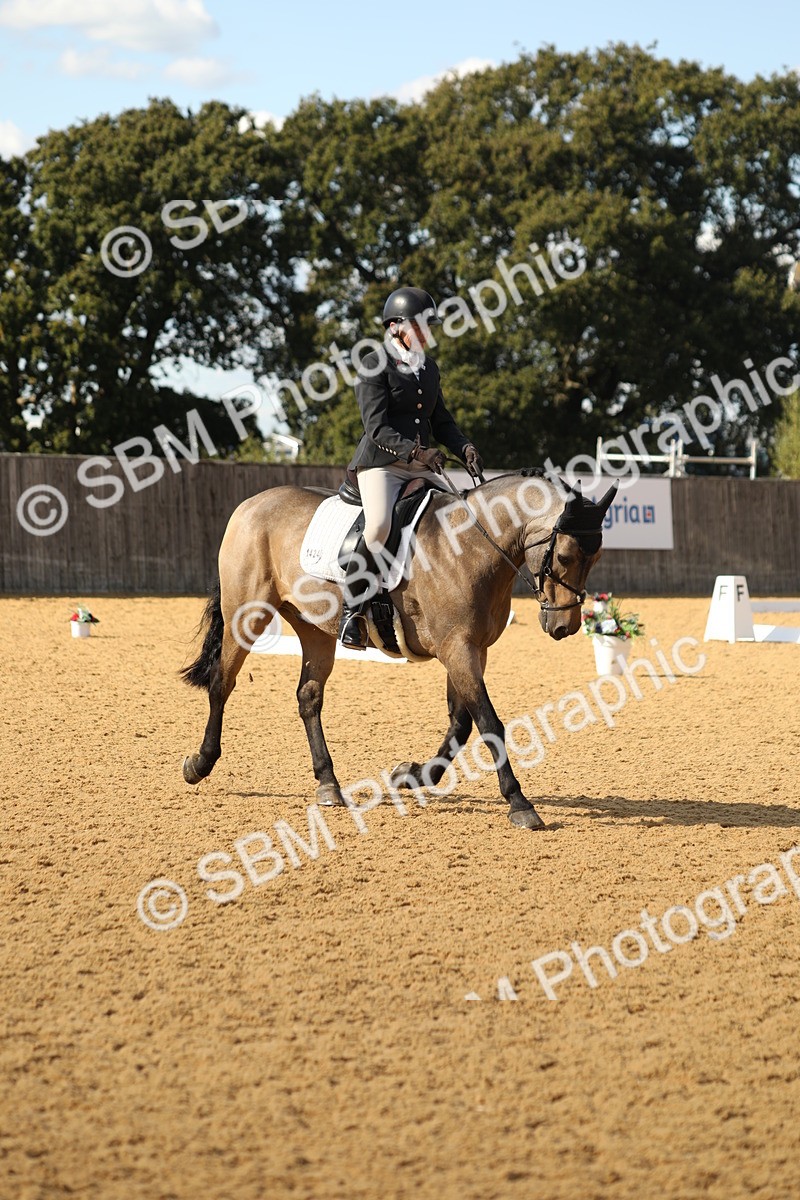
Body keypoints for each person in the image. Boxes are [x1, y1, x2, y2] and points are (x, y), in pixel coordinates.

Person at [339, 286, 483, 649]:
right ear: (395, 327)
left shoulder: (428, 368)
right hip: (381, 464)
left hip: (421, 465)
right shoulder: (374, 363)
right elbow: (376, 428)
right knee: (379, 526)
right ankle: (351, 612)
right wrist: (418, 452)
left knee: (459, 518)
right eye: (419, 325)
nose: (426, 332)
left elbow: (442, 420)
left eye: (428, 326)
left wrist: (464, 447)